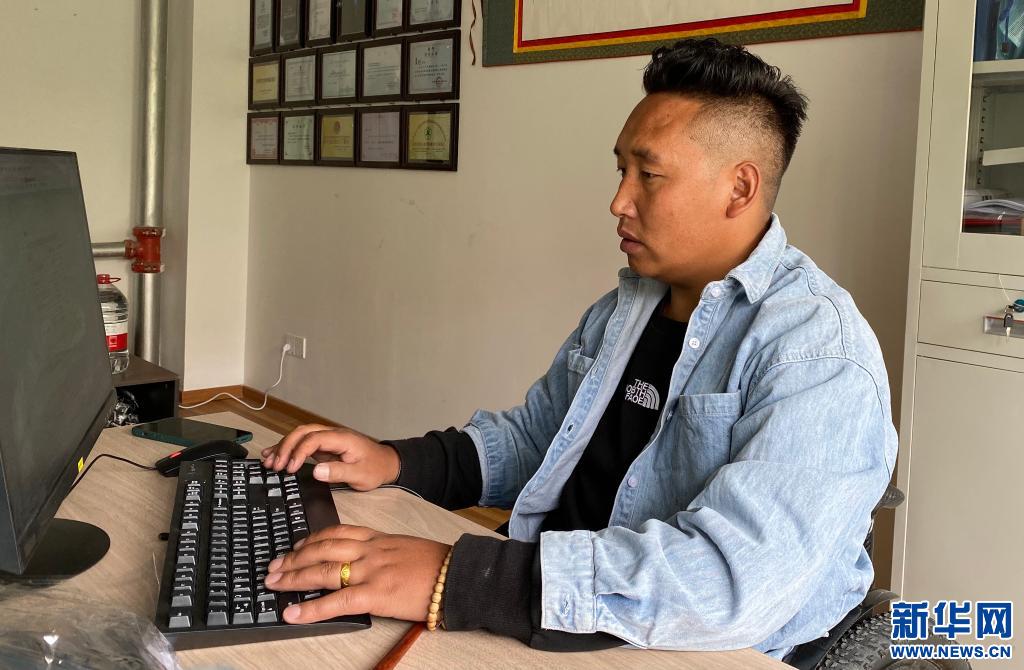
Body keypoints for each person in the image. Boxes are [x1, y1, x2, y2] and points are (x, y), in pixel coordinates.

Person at [260, 37, 898, 660]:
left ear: (740, 188)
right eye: (622, 171)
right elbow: (542, 440)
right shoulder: (627, 308)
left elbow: (728, 582)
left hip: (683, 645)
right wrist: (399, 462)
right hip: (553, 607)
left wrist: (464, 577)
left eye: (649, 175)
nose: (619, 201)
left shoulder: (816, 354)